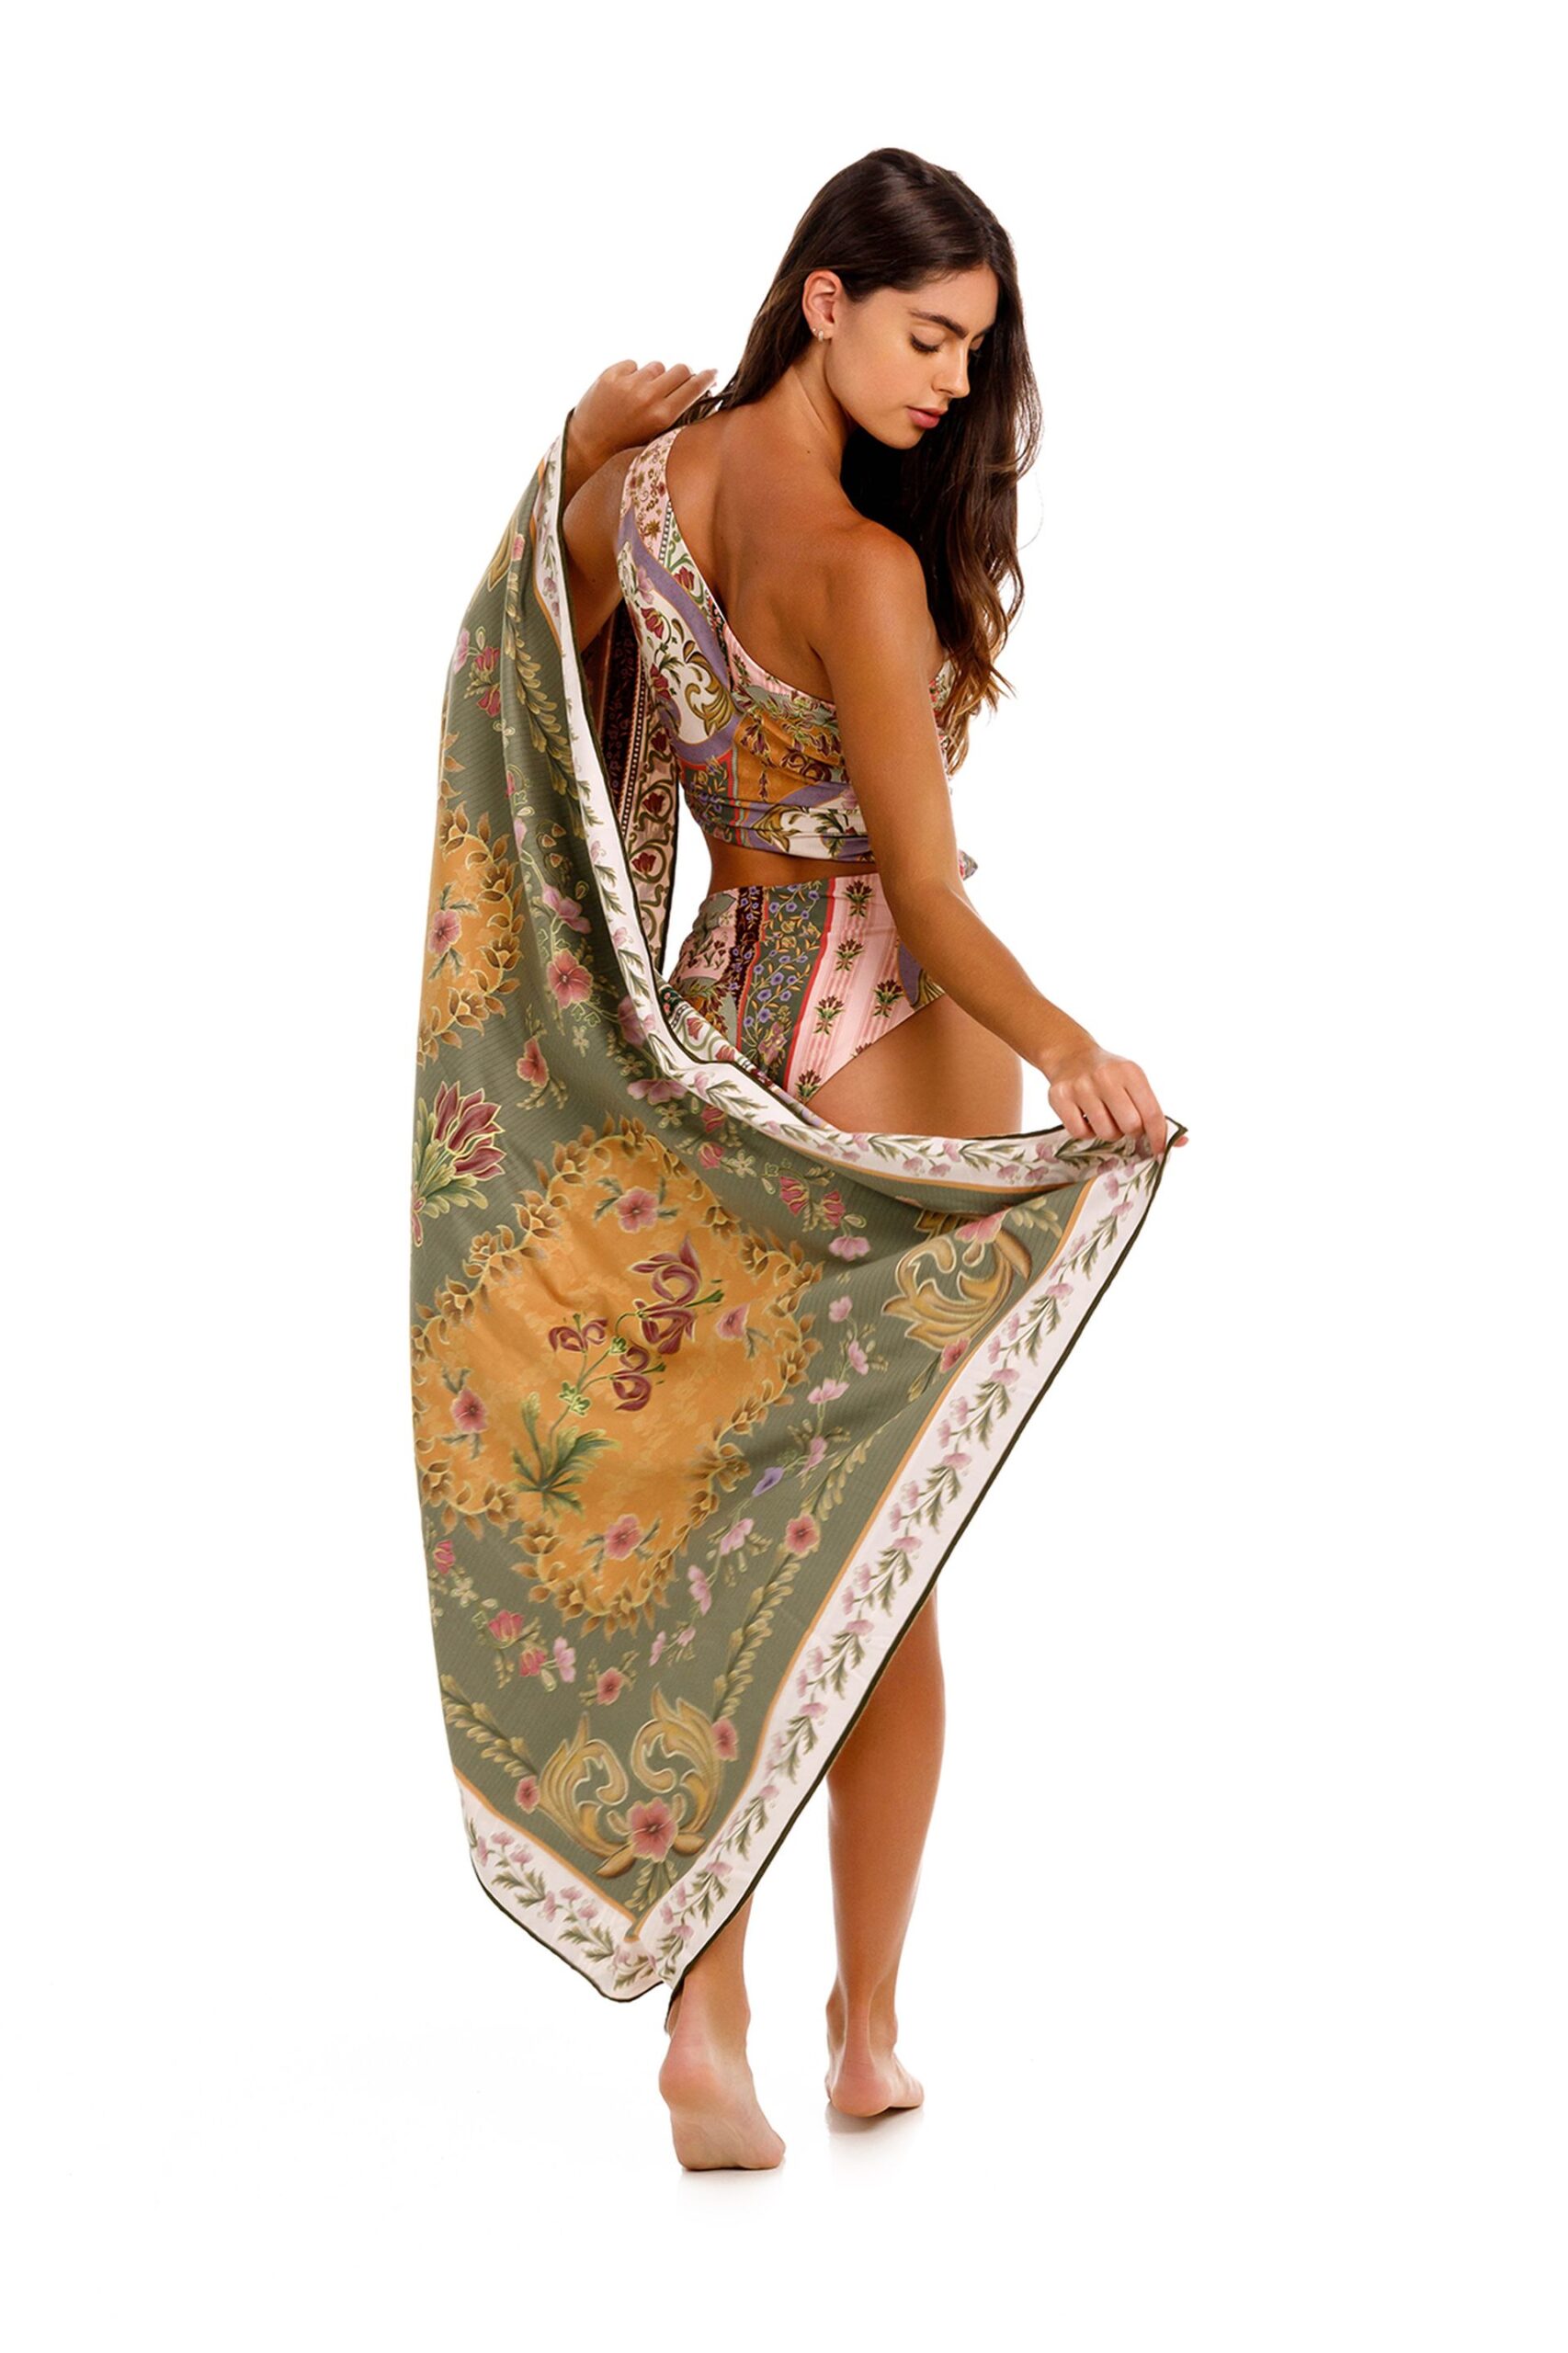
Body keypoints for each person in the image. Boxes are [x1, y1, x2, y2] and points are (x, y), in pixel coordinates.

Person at [414, 146, 1185, 2176]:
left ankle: (714, 2022)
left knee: (717, 1539)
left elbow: (525, 654)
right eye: (929, 336)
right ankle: (865, 2032)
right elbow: (920, 895)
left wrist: (567, 446)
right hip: (885, 1027)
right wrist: (1069, 1046)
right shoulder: (859, 566)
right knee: (877, 1547)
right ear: (825, 298)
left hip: (710, 1027)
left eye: (977, 352)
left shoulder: (636, 498)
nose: (953, 383)